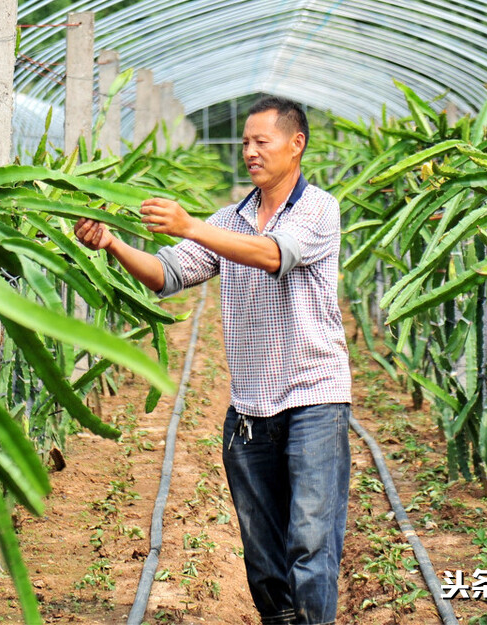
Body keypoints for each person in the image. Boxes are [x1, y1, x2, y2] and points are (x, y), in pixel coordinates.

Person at [74, 96, 352, 625]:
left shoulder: (319, 208)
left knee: (312, 545)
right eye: (244, 142)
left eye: (260, 141)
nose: (249, 151)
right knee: (265, 560)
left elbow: (275, 254)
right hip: (250, 407)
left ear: (296, 145)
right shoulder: (231, 219)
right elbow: (166, 275)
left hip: (314, 399)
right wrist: (111, 243)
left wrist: (190, 225)